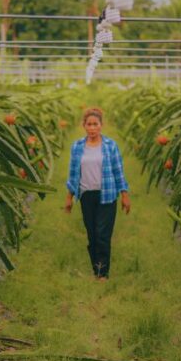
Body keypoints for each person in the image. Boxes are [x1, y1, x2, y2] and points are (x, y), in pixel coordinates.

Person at [63, 107, 130, 280]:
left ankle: (102, 274)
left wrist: (124, 194)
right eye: (89, 124)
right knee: (92, 235)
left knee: (102, 235)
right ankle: (97, 268)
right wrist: (69, 197)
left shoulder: (110, 146)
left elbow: (118, 171)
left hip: (107, 194)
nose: (92, 128)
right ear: (84, 125)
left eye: (95, 124)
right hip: (87, 196)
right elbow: (73, 174)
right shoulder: (77, 147)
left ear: (101, 125)